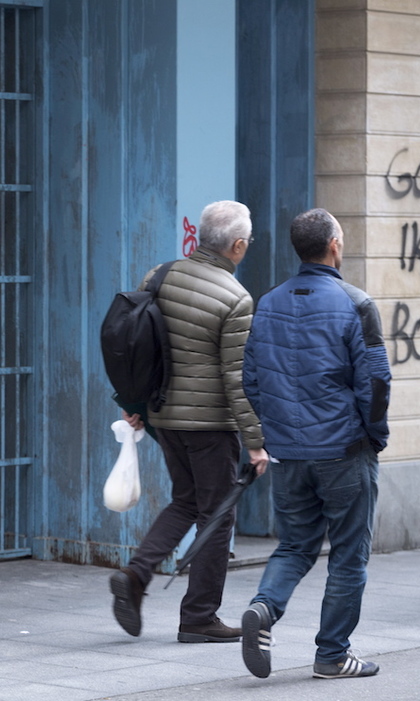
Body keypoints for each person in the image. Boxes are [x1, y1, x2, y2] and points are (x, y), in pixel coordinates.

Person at [239, 208, 390, 679]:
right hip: (344, 451)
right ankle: (331, 654)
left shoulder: (268, 302)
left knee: (295, 546)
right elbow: (376, 381)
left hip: (289, 453)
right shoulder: (355, 302)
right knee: (348, 554)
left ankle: (264, 608)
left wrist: (275, 432)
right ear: (334, 245)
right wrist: (375, 436)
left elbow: (251, 378)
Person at [110, 200, 270, 643]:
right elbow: (236, 378)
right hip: (210, 427)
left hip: (164, 417)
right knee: (217, 516)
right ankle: (199, 617)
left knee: (186, 501)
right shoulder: (236, 299)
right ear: (237, 245)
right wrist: (255, 442)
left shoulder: (159, 276)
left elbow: (138, 344)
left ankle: (137, 576)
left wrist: (135, 403)